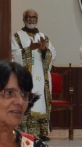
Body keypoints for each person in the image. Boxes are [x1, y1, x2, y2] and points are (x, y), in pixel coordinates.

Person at [10, 9, 56, 138]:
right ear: (24, 19)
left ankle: (41, 132)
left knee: (41, 101)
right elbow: (13, 54)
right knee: (27, 100)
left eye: (34, 17)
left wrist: (44, 50)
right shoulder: (17, 36)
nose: (31, 19)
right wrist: (28, 50)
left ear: (37, 19)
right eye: (29, 17)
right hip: (25, 76)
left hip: (41, 76)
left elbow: (53, 54)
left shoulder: (44, 37)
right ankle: (26, 131)